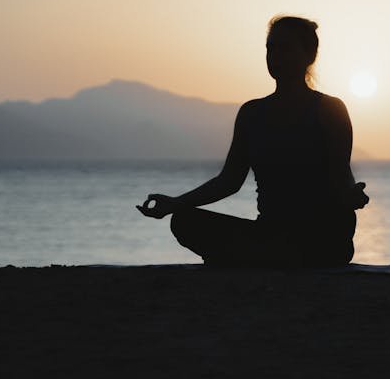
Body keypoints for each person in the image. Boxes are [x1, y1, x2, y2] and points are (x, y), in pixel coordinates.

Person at [137, 15, 369, 267]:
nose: (275, 55)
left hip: (319, 238)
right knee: (184, 221)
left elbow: (341, 175)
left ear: (309, 55)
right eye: (271, 48)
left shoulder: (330, 109)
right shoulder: (252, 113)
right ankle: (263, 256)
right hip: (270, 233)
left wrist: (352, 196)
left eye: (285, 48)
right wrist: (174, 203)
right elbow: (229, 181)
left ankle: (255, 257)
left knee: (316, 241)